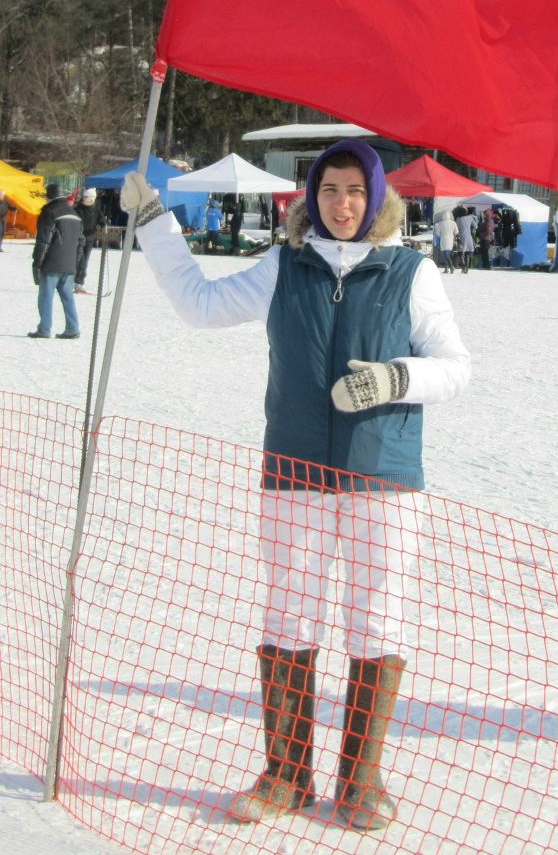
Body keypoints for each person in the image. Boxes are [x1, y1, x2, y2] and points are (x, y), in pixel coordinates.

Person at [120, 139, 470, 832]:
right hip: (295, 471)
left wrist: (397, 377)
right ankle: (285, 773)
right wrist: (156, 221)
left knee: (377, 621)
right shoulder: (287, 264)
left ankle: (361, 783)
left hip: (384, 476)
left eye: (356, 191)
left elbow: (456, 367)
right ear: (312, 198)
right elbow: (199, 304)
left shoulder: (411, 271)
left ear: (377, 199)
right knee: (289, 619)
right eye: (331, 190)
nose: (343, 204)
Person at [28, 182, 84, 338]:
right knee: (67, 297)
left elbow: (43, 241)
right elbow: (81, 242)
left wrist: (37, 263)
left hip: (52, 263)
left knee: (46, 296)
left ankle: (44, 329)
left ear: (49, 196)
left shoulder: (49, 212)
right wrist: (76, 262)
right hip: (69, 264)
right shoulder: (75, 214)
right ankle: (73, 328)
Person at [73, 187, 105, 293]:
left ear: (92, 199)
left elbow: (101, 218)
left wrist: (103, 224)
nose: (84, 199)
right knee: (79, 260)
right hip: (79, 237)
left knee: (85, 261)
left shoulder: (96, 207)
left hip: (90, 238)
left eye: (86, 197)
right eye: (84, 197)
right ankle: (75, 281)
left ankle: (79, 282)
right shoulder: (78, 208)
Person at [436, 208, 459, 274]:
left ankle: (450, 267)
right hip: (450, 240)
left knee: (444, 255)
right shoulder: (453, 223)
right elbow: (456, 232)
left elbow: (438, 233)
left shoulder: (440, 223)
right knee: (448, 254)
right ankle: (448, 268)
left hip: (443, 241)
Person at [455, 207, 478, 274]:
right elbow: (476, 226)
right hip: (469, 236)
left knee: (460, 253)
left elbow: (456, 229)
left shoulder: (458, 219)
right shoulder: (470, 218)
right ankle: (466, 269)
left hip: (461, 237)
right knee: (468, 253)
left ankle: (463, 267)